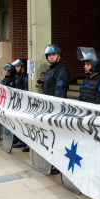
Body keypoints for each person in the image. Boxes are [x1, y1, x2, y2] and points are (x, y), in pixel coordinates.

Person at [43, 44, 70, 174]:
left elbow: (59, 93)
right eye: (49, 55)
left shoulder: (62, 71)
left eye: (53, 54)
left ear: (59, 56)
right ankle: (53, 162)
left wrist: (54, 111)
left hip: (56, 111)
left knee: (57, 139)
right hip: (48, 109)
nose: (51, 57)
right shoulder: (49, 71)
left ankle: (59, 165)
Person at [12, 58, 30, 152]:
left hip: (24, 104)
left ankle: (27, 143)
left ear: (23, 67)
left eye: (17, 66)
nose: (16, 68)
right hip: (18, 103)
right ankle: (20, 141)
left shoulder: (26, 77)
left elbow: (25, 91)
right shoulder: (18, 76)